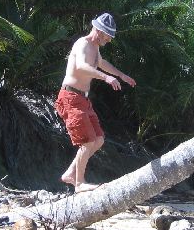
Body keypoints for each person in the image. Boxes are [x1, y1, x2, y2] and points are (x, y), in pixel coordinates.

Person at [54, 13, 136, 192]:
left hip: (83, 99)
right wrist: (106, 78)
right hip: (70, 97)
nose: (109, 40)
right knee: (88, 141)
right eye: (107, 35)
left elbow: (101, 62)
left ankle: (70, 174)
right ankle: (79, 183)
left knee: (98, 140)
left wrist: (121, 75)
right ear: (98, 31)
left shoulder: (95, 47)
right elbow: (82, 66)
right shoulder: (83, 43)